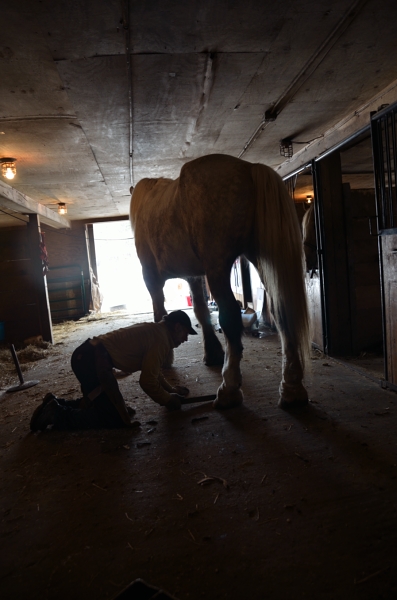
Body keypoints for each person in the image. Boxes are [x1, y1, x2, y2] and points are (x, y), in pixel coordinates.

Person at [30, 310, 197, 432]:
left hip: (88, 356)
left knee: (109, 407)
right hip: (89, 361)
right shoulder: (161, 340)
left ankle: (56, 404)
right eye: (185, 333)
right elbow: (147, 382)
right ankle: (56, 414)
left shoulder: (157, 333)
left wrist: (172, 391)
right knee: (111, 418)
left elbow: (153, 372)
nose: (185, 339)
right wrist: (168, 400)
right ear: (177, 327)